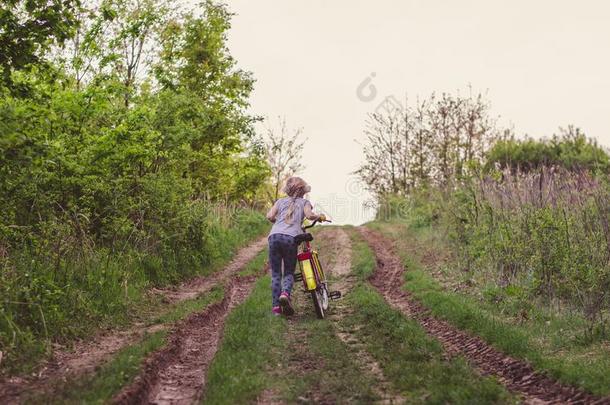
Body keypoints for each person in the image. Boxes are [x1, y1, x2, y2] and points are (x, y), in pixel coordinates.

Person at [266, 177, 325, 316]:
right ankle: (285, 294)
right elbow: (309, 216)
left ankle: (276, 309)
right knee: (288, 272)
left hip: (273, 237)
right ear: (302, 192)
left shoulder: (280, 201)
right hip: (290, 239)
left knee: (275, 274)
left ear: (288, 190)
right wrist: (319, 217)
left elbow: (269, 216)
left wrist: (279, 223)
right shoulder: (305, 202)